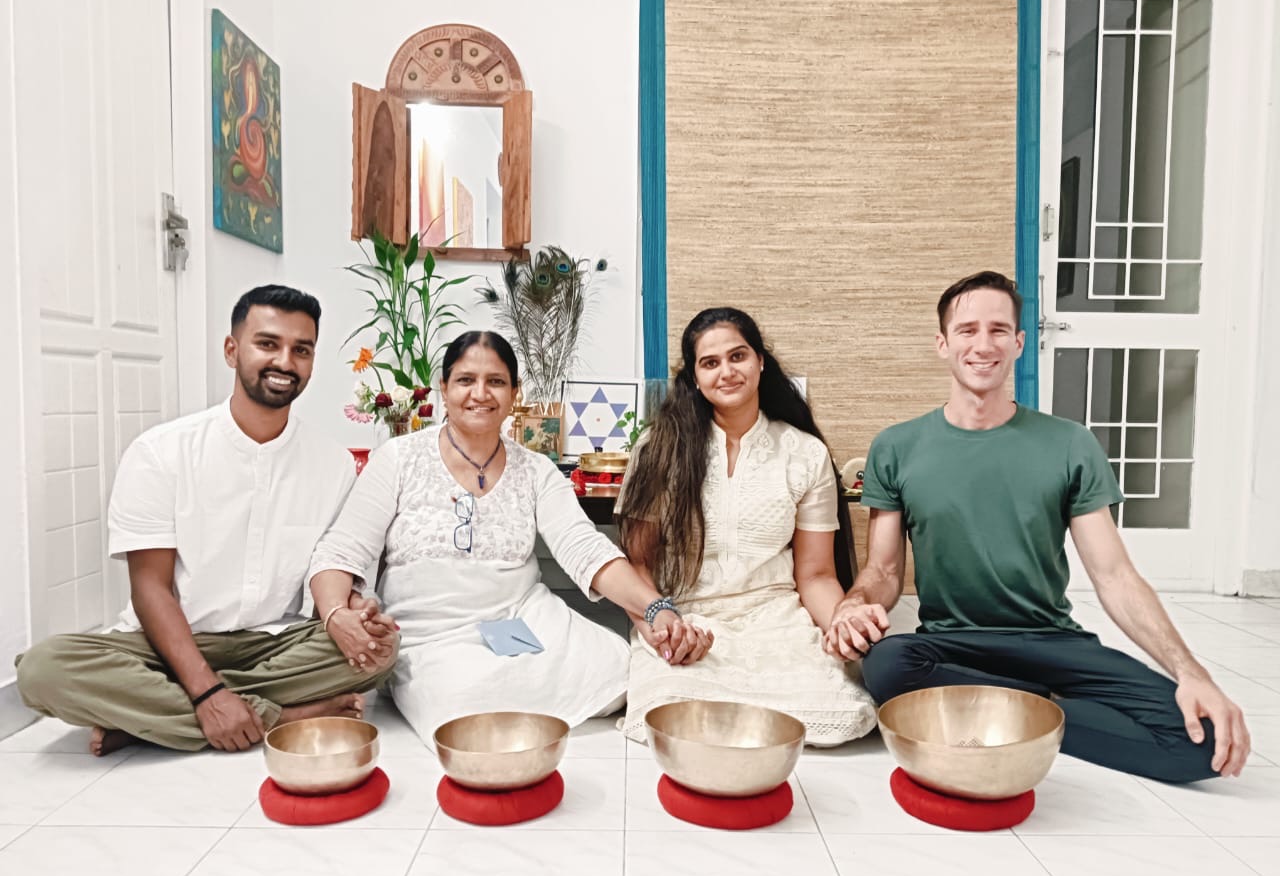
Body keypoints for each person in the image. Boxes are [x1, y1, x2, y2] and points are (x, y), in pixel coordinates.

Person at [827, 270, 1250, 782]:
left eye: (999, 330)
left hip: (1054, 645)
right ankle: (1047, 711)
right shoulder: (897, 447)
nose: (984, 345)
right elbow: (884, 572)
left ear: (1019, 343)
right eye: (967, 330)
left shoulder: (1070, 444)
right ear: (942, 344)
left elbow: (1115, 576)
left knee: (1203, 743)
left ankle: (1013, 711)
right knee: (888, 664)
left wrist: (1192, 673)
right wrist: (853, 604)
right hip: (954, 646)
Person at [15, 285, 398, 756]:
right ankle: (281, 716)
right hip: (169, 644)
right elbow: (150, 589)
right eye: (268, 344)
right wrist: (206, 692)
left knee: (382, 652)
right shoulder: (161, 452)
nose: (284, 361)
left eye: (301, 350)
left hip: (274, 644)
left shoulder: (333, 463)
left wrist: (351, 615)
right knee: (42, 670)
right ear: (232, 350)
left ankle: (147, 719)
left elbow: (331, 569)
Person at [307, 330, 688, 746]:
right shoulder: (399, 458)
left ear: (514, 392)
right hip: (430, 632)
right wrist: (336, 615)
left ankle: (518, 702)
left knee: (620, 665)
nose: (480, 394)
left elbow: (584, 547)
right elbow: (340, 550)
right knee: (463, 696)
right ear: (444, 388)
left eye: (496, 381)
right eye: (465, 380)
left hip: (522, 617)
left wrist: (655, 608)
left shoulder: (536, 469)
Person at [616, 308, 878, 746]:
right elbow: (638, 564)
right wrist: (664, 628)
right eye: (710, 363)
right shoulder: (658, 448)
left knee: (842, 714)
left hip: (776, 620)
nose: (727, 372)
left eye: (737, 356)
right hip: (688, 619)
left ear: (760, 361)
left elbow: (816, 575)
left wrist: (842, 622)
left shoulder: (805, 453)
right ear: (694, 377)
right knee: (668, 714)